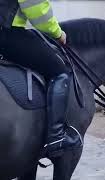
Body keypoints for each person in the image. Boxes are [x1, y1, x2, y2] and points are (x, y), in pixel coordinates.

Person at [0, 0, 82, 157]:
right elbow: (36, 8)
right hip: (7, 33)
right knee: (59, 71)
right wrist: (57, 33)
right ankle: (56, 138)